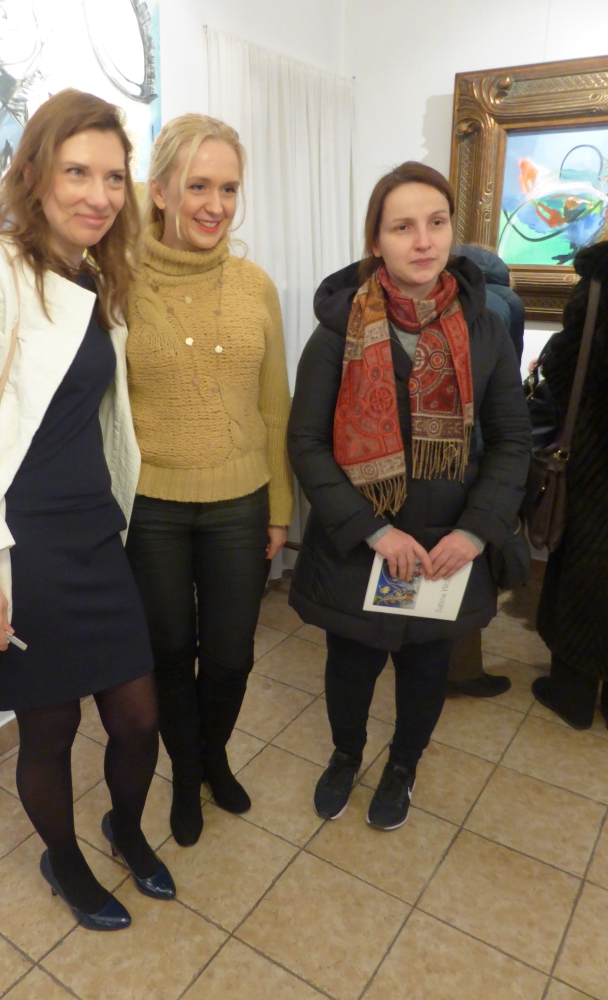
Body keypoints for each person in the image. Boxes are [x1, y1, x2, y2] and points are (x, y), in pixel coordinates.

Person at [0, 90, 175, 932]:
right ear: (32, 174)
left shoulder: (93, 276)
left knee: (138, 718)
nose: (99, 195)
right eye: (77, 172)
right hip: (20, 543)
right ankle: (64, 860)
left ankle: (124, 829)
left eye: (114, 177)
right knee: (51, 728)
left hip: (94, 533)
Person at [287, 162, 531, 830]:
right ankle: (346, 755)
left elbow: (512, 441)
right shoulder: (338, 330)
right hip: (362, 546)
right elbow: (305, 443)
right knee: (351, 666)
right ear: (376, 241)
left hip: (445, 547)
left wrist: (475, 533)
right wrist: (374, 530)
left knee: (426, 669)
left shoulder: (484, 327)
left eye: (436, 222)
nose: (423, 240)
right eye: (402, 227)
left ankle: (402, 767)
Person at [124, 114, 294, 846]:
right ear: (160, 190)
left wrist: (280, 509)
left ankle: (211, 752)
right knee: (169, 654)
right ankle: (187, 773)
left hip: (241, 504)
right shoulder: (118, 283)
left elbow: (274, 406)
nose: (215, 205)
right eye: (197, 186)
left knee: (230, 657)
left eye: (228, 188)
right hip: (152, 508)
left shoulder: (255, 285)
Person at [445, 244, 527, 699]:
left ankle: (434, 661)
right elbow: (506, 388)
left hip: (443, 448)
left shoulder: (441, 301)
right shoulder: (506, 305)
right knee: (466, 563)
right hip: (477, 445)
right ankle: (461, 670)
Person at [531, 242, 608, 729]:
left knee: (588, 566)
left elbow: (563, 366)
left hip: (597, 456)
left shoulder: (599, 280)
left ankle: (573, 695)